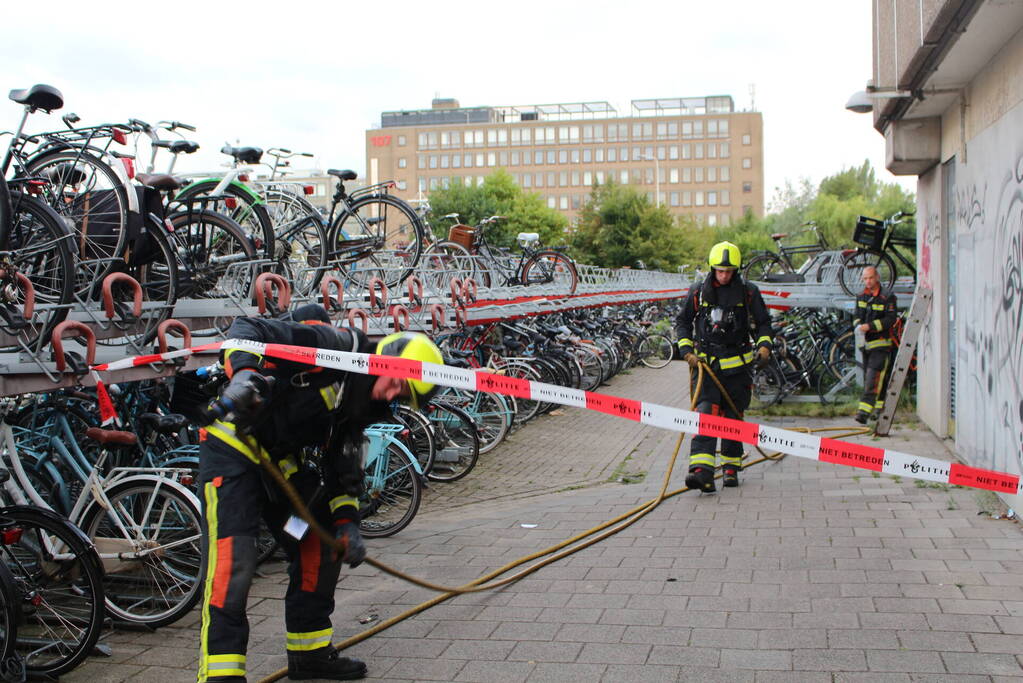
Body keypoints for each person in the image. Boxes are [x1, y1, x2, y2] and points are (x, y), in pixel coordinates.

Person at [194, 305, 444, 682]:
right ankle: (222, 675)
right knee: (237, 561)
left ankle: (309, 653)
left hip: (279, 466)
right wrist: (245, 375)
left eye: (403, 394)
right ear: (386, 358)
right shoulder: (335, 346)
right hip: (233, 453)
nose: (392, 392)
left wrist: (347, 523)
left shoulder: (364, 402)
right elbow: (247, 327)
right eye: (397, 381)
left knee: (316, 540)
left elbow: (342, 463)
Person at [675, 242, 774, 492]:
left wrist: (764, 347)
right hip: (706, 367)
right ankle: (701, 471)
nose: (724, 275)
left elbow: (763, 323)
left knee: (733, 418)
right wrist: (687, 351)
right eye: (719, 270)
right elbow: (683, 322)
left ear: (736, 271)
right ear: (712, 268)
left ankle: (731, 469)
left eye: (729, 271)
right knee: (706, 415)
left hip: (738, 369)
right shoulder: (698, 291)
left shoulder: (749, 292)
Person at [853, 266, 898, 424]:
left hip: (881, 344)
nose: (868, 281)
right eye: (865, 279)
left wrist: (869, 326)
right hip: (865, 344)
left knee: (873, 377)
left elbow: (890, 320)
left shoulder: (887, 297)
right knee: (874, 379)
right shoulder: (861, 296)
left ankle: (863, 413)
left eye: (871, 278)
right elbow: (857, 316)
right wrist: (859, 326)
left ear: (877, 277)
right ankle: (878, 410)